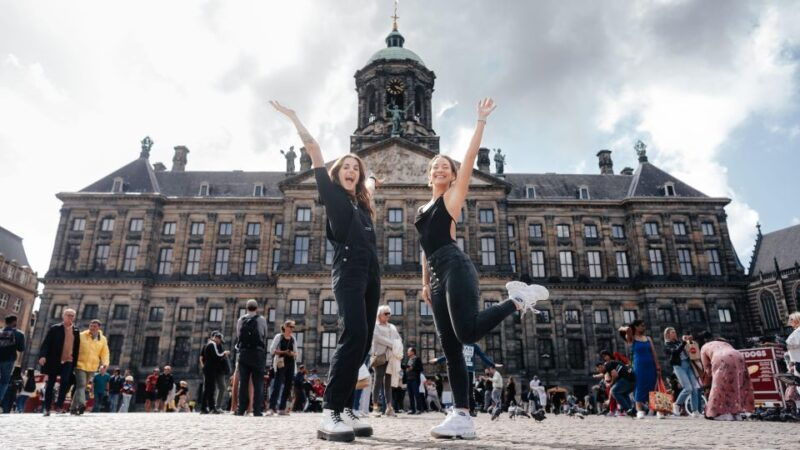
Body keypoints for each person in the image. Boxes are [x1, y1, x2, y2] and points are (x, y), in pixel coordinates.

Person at [415, 98, 548, 439]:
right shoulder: (422, 208)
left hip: (456, 267)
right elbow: (425, 248)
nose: (440, 169)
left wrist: (480, 121)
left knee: (467, 334)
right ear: (429, 174)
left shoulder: (451, 198)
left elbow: (470, 157)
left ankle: (517, 300)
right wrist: (425, 283)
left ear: (453, 175)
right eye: (435, 166)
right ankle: (461, 416)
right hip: (437, 275)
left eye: (446, 167)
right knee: (451, 350)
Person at [271, 100, 380, 442]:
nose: (350, 170)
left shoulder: (362, 204)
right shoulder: (331, 195)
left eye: (355, 168)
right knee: (353, 335)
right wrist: (295, 118)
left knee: (363, 341)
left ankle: (346, 408)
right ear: (336, 173)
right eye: (345, 166)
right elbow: (315, 150)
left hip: (372, 274)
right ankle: (330, 410)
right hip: (348, 271)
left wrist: (372, 180)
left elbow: (370, 186)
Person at [431, 343, 498, 416]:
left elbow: (483, 356)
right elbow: (451, 355)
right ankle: (463, 409)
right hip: (463, 370)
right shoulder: (462, 344)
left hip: (466, 371)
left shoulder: (470, 345)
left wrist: (492, 364)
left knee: (467, 391)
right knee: (464, 391)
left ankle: (469, 410)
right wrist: (438, 360)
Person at [700, 334, 754, 420]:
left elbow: (707, 368)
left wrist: (710, 378)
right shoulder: (727, 344)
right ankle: (737, 413)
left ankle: (719, 413)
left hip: (721, 357)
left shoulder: (704, 347)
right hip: (738, 355)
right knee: (738, 385)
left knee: (719, 387)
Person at [38, 308, 80, 416]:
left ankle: (59, 406)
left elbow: (77, 348)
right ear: (63, 316)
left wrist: (75, 363)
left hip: (68, 360)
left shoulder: (76, 330)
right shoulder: (55, 328)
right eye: (68, 315)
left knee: (65, 382)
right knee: (50, 384)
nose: (70, 317)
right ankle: (47, 408)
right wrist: (42, 356)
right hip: (54, 360)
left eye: (72, 315)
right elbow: (46, 343)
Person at [235, 298, 268, 417]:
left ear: (246, 308)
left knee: (243, 382)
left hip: (244, 353)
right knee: (258, 383)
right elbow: (264, 335)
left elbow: (238, 336)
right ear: (257, 308)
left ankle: (241, 409)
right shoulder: (261, 319)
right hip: (257, 354)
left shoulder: (241, 320)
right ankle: (257, 410)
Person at [70, 319, 109, 415]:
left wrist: (105, 364)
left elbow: (105, 353)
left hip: (92, 367)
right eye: (91, 326)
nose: (92, 328)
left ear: (99, 328)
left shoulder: (103, 339)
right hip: (80, 365)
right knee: (81, 385)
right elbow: (74, 348)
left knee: (81, 387)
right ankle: (82, 404)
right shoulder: (82, 336)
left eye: (94, 326)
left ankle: (73, 408)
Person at [370, 305, 403, 417]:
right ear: (379, 315)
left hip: (391, 357)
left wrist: (395, 344)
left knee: (388, 383)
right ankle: (375, 408)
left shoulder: (392, 326)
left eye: (389, 314)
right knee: (378, 381)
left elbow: (399, 338)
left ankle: (389, 408)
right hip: (380, 356)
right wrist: (393, 344)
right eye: (386, 314)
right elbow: (378, 338)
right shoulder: (375, 326)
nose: (388, 316)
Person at [663, 327, 702, 417]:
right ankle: (676, 404)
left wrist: (689, 341)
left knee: (695, 388)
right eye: (672, 332)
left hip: (688, 364)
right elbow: (675, 352)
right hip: (678, 366)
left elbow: (690, 349)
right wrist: (684, 342)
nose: (675, 334)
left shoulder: (679, 342)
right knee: (688, 388)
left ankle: (695, 411)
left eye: (675, 332)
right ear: (667, 335)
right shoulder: (667, 345)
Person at [628, 319, 661, 419]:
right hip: (639, 365)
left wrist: (657, 366)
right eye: (642, 325)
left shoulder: (648, 338)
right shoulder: (632, 338)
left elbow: (653, 352)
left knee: (653, 386)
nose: (644, 327)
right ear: (636, 327)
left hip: (650, 364)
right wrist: (631, 328)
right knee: (639, 385)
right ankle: (639, 410)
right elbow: (623, 329)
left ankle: (655, 409)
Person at [268, 320, 298, 415]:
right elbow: (272, 350)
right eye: (290, 327)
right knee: (277, 385)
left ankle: (282, 408)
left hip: (290, 363)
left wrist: (292, 353)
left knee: (288, 386)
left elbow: (296, 353)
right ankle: (272, 408)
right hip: (281, 363)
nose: (291, 329)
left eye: (293, 327)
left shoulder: (293, 339)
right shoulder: (279, 337)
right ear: (285, 327)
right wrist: (284, 352)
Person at [200, 331, 230, 414]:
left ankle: (206, 408)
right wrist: (224, 353)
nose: (220, 342)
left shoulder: (209, 344)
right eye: (220, 340)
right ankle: (210, 408)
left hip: (208, 368)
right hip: (210, 369)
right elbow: (217, 356)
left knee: (208, 389)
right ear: (216, 338)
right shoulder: (212, 344)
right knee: (210, 388)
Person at [0, 315, 25, 406]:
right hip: (9, 360)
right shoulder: (19, 334)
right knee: (4, 381)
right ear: (14, 322)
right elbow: (21, 349)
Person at [405, 347, 425, 414]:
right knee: (410, 395)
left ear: (413, 352)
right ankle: (412, 409)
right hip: (409, 379)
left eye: (409, 351)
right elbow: (407, 368)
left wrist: (412, 368)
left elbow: (421, 368)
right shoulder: (409, 360)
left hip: (415, 379)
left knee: (416, 394)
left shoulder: (417, 359)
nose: (407, 352)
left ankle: (419, 409)